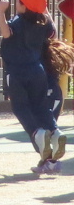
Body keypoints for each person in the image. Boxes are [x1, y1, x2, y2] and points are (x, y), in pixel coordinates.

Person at [0, 0, 66, 171]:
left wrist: (0, 13)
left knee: (20, 107)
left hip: (18, 71)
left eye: (19, 0)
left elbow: (6, 33)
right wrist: (45, 11)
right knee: (41, 105)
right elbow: (53, 35)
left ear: (24, 6)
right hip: (38, 70)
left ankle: (38, 133)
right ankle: (55, 131)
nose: (17, 2)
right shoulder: (43, 23)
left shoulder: (18, 22)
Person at [35, 38, 74, 174]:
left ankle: (50, 161)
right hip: (57, 94)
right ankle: (50, 162)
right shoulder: (52, 59)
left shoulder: (36, 62)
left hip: (46, 95)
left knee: (41, 130)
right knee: (50, 126)